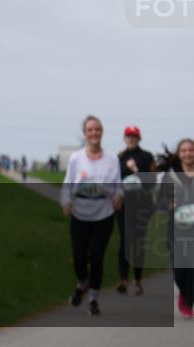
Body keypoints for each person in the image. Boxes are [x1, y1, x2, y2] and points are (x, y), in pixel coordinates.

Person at [60, 115, 123, 316]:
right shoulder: (76, 158)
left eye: (97, 129)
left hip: (103, 215)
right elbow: (67, 183)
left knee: (97, 257)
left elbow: (118, 186)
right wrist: (65, 201)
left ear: (102, 132)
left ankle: (93, 299)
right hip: (80, 215)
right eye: (90, 130)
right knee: (79, 258)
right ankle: (82, 283)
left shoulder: (112, 159)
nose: (94, 133)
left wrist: (118, 197)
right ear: (85, 134)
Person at [115, 125, 156, 296]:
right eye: (128, 136)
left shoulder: (147, 157)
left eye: (134, 136)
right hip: (123, 205)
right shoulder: (118, 157)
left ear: (139, 138)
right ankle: (123, 280)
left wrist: (136, 171)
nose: (131, 139)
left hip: (142, 206)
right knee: (125, 240)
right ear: (124, 138)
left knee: (138, 242)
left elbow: (151, 183)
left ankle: (138, 281)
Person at [157, 138, 194, 320]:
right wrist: (168, 204)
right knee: (180, 271)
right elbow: (160, 202)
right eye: (184, 150)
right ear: (179, 154)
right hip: (176, 230)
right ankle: (185, 294)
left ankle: (187, 301)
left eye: (191, 150)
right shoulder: (170, 176)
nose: (188, 153)